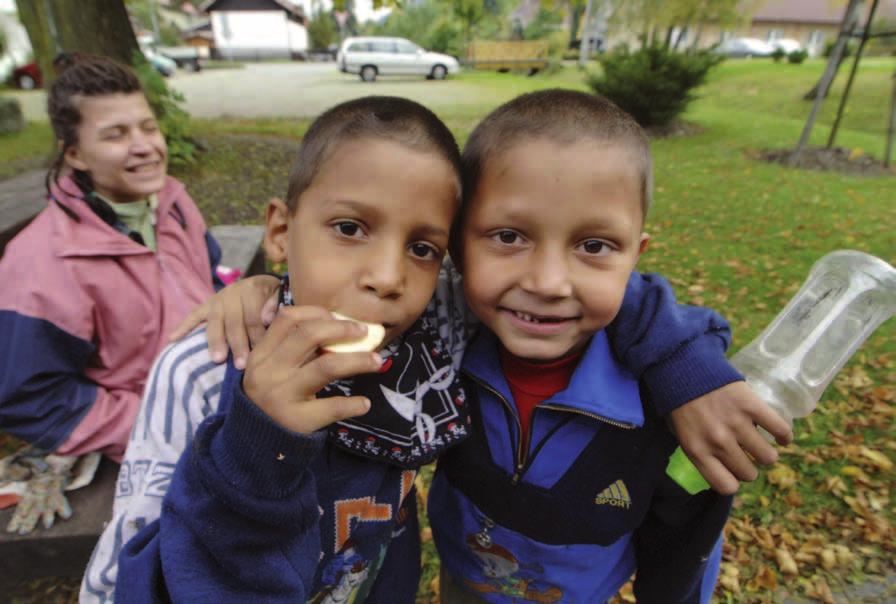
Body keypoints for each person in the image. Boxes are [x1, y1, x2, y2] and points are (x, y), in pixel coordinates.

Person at [82, 95, 786, 603]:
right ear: (279, 228)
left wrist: (685, 367)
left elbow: (583, 287)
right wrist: (262, 301)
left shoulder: (436, 328)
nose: (387, 277)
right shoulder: (207, 370)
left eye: (423, 248)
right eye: (351, 227)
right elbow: (125, 574)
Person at [428, 89, 752, 603]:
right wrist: (260, 294)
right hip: (462, 579)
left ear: (635, 255)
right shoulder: (442, 338)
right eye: (509, 236)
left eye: (594, 246)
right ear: (459, 243)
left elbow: (687, 535)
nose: (550, 282)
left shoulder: (667, 402)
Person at [0, 55, 222, 532]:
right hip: (151, 452)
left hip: (219, 410)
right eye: (116, 134)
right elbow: (25, 395)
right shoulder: (41, 262)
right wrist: (152, 424)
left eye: (147, 126)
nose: (144, 146)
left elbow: (210, 282)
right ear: (75, 154)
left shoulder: (173, 203)